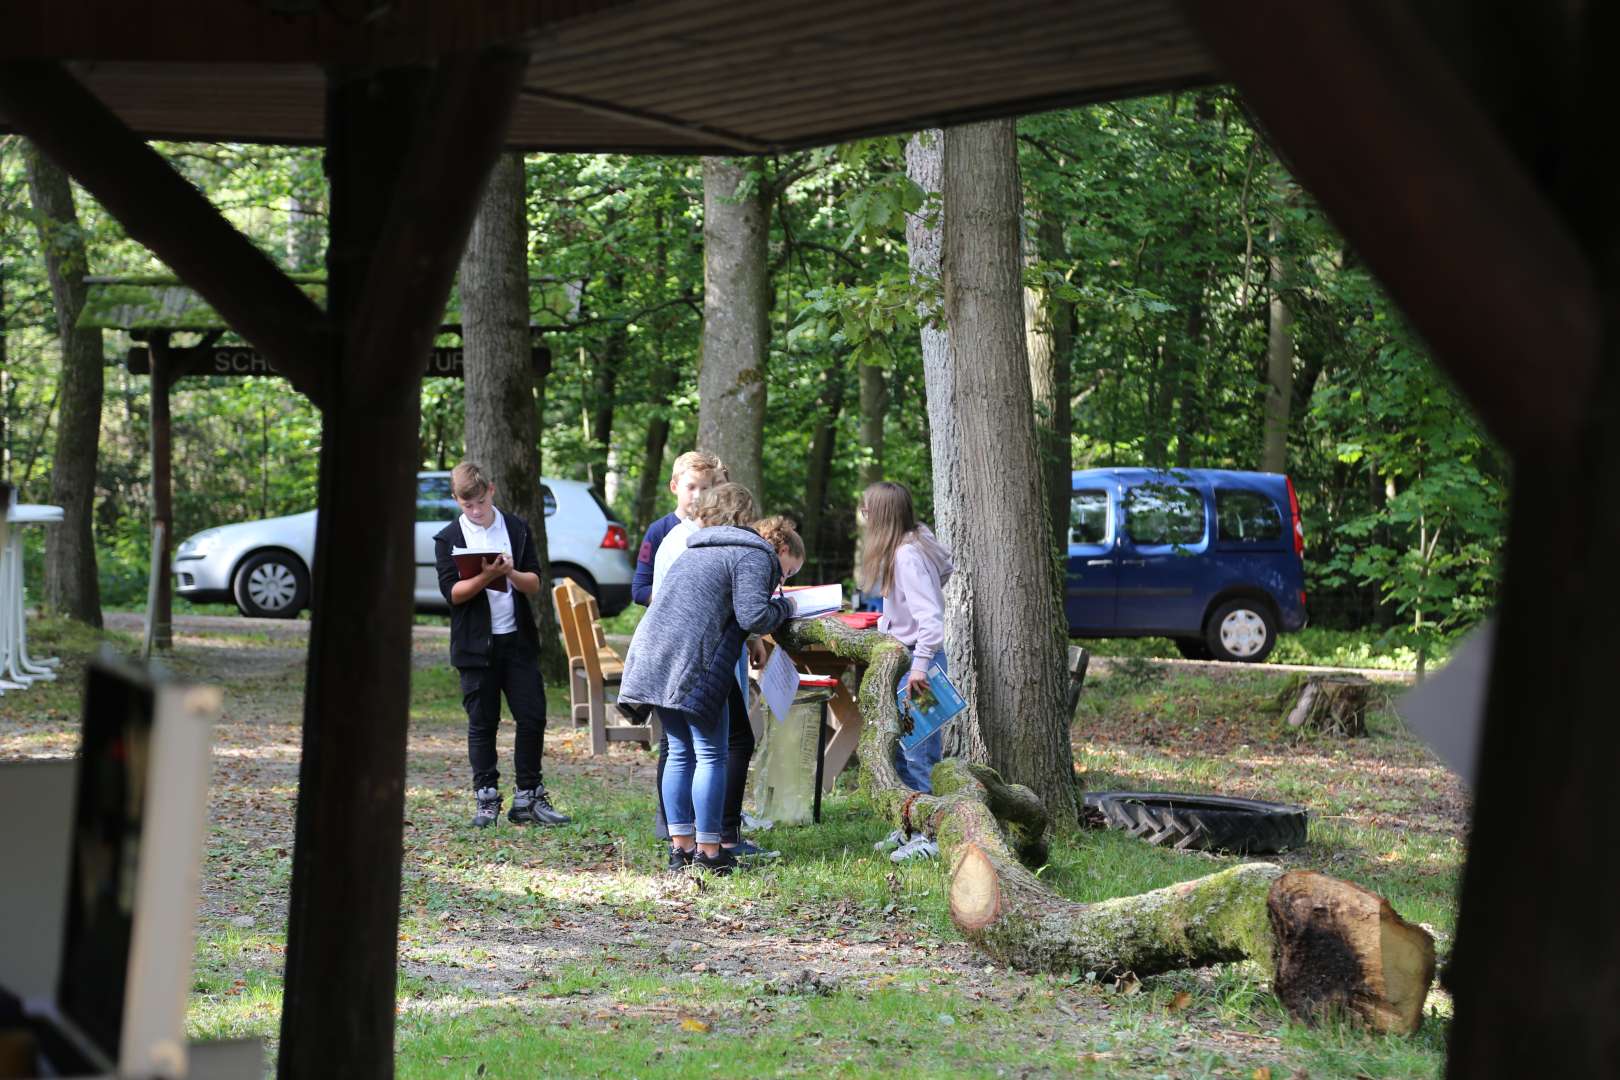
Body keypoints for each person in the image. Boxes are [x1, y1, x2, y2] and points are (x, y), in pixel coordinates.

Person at [619, 484, 801, 875]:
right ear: (746, 517)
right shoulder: (750, 553)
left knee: (681, 752)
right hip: (692, 664)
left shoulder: (694, 549)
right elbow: (754, 614)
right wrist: (787, 606)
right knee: (710, 754)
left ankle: (680, 848)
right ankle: (710, 851)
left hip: (653, 658)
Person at [434, 461, 571, 829]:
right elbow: (454, 594)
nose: (476, 512)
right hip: (475, 646)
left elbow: (535, 583)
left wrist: (508, 572)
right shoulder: (449, 538)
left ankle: (528, 795)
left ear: (491, 490)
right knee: (483, 722)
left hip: (517, 640)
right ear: (456, 501)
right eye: (468, 506)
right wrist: (486, 576)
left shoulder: (516, 528)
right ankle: (486, 798)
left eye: (480, 502)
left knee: (532, 716)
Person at [857, 480, 954, 862]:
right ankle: (907, 827)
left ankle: (929, 836)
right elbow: (944, 569)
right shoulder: (916, 539)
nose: (864, 519)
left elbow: (931, 620)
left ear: (879, 515)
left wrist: (919, 665)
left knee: (919, 753)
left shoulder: (908, 556)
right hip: (908, 658)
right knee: (900, 747)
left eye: (867, 511)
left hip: (920, 666)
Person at [631, 450, 726, 607]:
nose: (697, 496)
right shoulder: (657, 531)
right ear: (674, 487)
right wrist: (679, 602)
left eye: (704, 488)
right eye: (691, 487)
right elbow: (639, 590)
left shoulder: (719, 531)